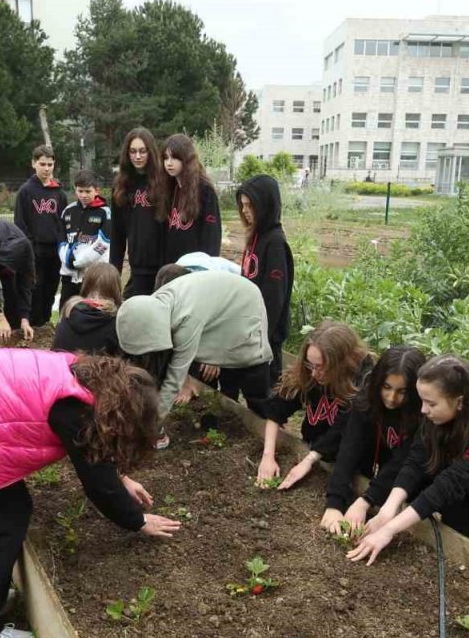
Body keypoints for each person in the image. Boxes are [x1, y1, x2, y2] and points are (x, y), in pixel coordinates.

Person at [0, 349, 181, 638]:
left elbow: (96, 458)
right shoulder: (77, 410)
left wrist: (121, 477)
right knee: (3, 519)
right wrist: (138, 520)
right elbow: (98, 485)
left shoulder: (83, 375)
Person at [347, 354, 469, 565]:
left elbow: (449, 484)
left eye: (430, 403)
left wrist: (389, 530)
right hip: (465, 484)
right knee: (464, 540)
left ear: (459, 402)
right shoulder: (436, 416)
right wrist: (387, 511)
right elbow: (416, 460)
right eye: (422, 401)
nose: (423, 410)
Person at [116, 270, 272, 447]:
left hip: (244, 304)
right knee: (223, 371)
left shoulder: (186, 320)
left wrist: (151, 425)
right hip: (214, 301)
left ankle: (269, 431)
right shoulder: (154, 305)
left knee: (251, 371)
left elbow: (175, 378)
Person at [321, 346, 426, 533]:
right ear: (378, 382)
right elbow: (349, 449)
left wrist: (366, 500)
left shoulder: (422, 415)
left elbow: (403, 461)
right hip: (374, 470)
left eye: (402, 391)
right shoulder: (366, 401)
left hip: (409, 483)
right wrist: (334, 503)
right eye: (386, 387)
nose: (392, 398)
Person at [255, 321, 371, 489]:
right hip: (312, 447)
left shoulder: (363, 382)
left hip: (352, 464)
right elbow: (277, 409)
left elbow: (343, 429)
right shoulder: (310, 374)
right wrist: (268, 455)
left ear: (342, 363)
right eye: (310, 365)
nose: (314, 373)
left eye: (321, 367)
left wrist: (309, 460)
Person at [236, 175, 294, 387]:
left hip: (266, 337)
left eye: (250, 206)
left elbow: (274, 298)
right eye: (242, 205)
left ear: (266, 206)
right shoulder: (255, 237)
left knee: (265, 394)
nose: (245, 211)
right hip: (252, 329)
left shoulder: (275, 243)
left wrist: (261, 338)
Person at [14, 145, 68, 326]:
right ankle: (34, 324)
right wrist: (29, 249)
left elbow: (64, 222)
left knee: (51, 288)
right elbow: (20, 223)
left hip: (55, 250)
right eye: (42, 164)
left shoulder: (59, 193)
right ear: (33, 163)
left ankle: (45, 322)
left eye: (50, 164)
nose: (46, 169)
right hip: (34, 250)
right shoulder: (25, 191)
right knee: (35, 288)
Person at [110, 127, 166, 298]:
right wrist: (114, 273)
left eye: (143, 151)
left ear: (151, 152)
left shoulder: (164, 183)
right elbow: (117, 234)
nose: (138, 156)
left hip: (163, 268)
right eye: (133, 151)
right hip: (138, 267)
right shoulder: (121, 187)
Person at [159, 134, 220, 265]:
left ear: (186, 159)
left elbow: (212, 238)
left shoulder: (204, 190)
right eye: (165, 158)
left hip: (195, 270)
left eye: (174, 157)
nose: (169, 163)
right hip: (172, 268)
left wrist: (206, 269)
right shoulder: (170, 189)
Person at [57, 168, 111, 304]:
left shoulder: (105, 212)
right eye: (80, 191)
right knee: (66, 309)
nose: (84, 195)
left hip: (93, 274)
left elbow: (103, 243)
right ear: (75, 189)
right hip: (69, 272)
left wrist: (81, 261)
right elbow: (61, 240)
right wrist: (67, 259)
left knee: (91, 310)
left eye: (88, 191)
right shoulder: (68, 211)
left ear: (97, 190)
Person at [53, 263, 122, 356]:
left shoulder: (68, 311)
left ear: (86, 284)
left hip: (62, 366)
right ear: (116, 288)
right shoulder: (115, 321)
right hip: (93, 369)